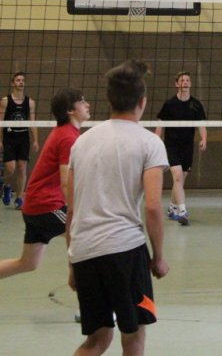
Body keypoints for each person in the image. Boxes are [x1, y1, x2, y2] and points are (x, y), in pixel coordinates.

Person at [66, 59, 169, 356]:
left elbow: (72, 211)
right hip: (125, 251)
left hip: (84, 252)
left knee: (97, 340)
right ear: (142, 102)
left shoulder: (81, 143)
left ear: (109, 100)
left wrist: (72, 263)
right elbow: (153, 207)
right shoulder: (149, 143)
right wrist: (158, 257)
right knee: (133, 336)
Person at [0, 88, 89, 279]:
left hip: (34, 205)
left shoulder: (65, 132)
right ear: (70, 110)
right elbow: (65, 183)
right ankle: (90, 290)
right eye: (82, 102)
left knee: (27, 263)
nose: (87, 105)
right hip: (46, 206)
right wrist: (76, 211)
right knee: (86, 233)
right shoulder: (68, 137)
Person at [155, 71, 207, 226]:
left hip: (187, 146)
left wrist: (204, 139)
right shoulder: (169, 104)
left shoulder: (196, 104)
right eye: (182, 80)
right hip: (172, 145)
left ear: (190, 84)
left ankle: (172, 207)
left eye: (187, 80)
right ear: (177, 84)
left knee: (180, 180)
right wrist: (156, 140)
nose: (185, 82)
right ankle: (182, 210)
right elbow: (160, 124)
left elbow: (201, 124)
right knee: (177, 176)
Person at [0, 71, 40, 209]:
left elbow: (32, 122)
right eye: (18, 80)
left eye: (22, 80)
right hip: (9, 138)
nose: (21, 82)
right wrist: (0, 140)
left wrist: (35, 140)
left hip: (23, 138)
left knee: (22, 167)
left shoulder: (30, 102)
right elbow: (0, 122)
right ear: (13, 83)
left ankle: (19, 198)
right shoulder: (5, 101)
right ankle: (6, 186)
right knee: (10, 168)